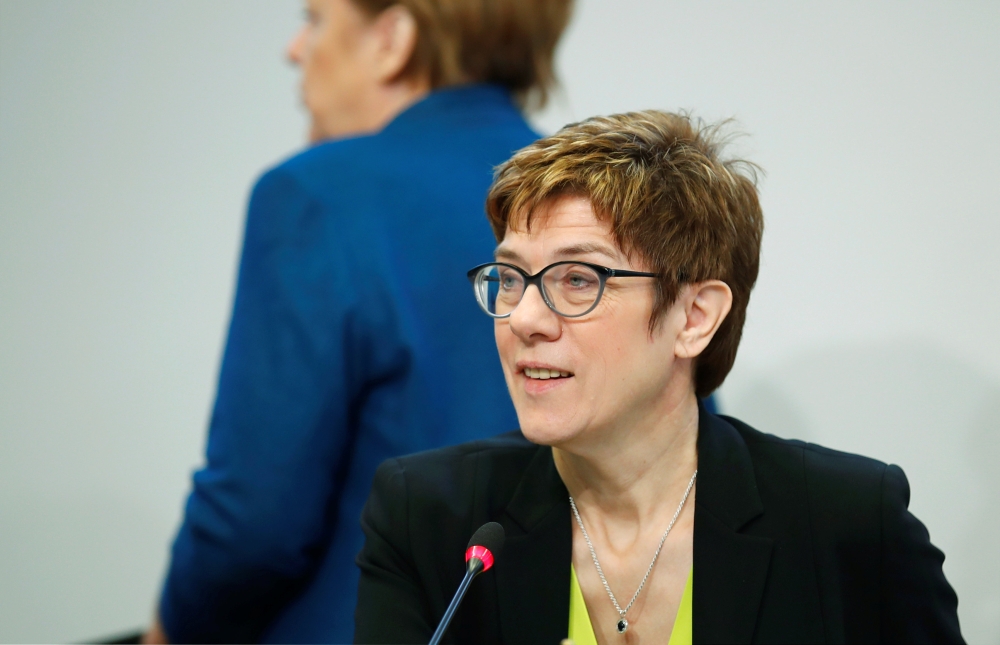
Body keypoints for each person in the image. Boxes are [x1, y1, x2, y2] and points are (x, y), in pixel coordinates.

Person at [354, 111, 965, 644]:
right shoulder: (429, 518)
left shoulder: (847, 523)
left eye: (577, 279)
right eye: (511, 277)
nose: (525, 318)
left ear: (694, 318)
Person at [147, 1, 573, 643]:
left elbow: (254, 525)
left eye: (315, 19)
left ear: (393, 40)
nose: (295, 49)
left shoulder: (317, 199)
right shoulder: (611, 208)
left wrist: (171, 632)